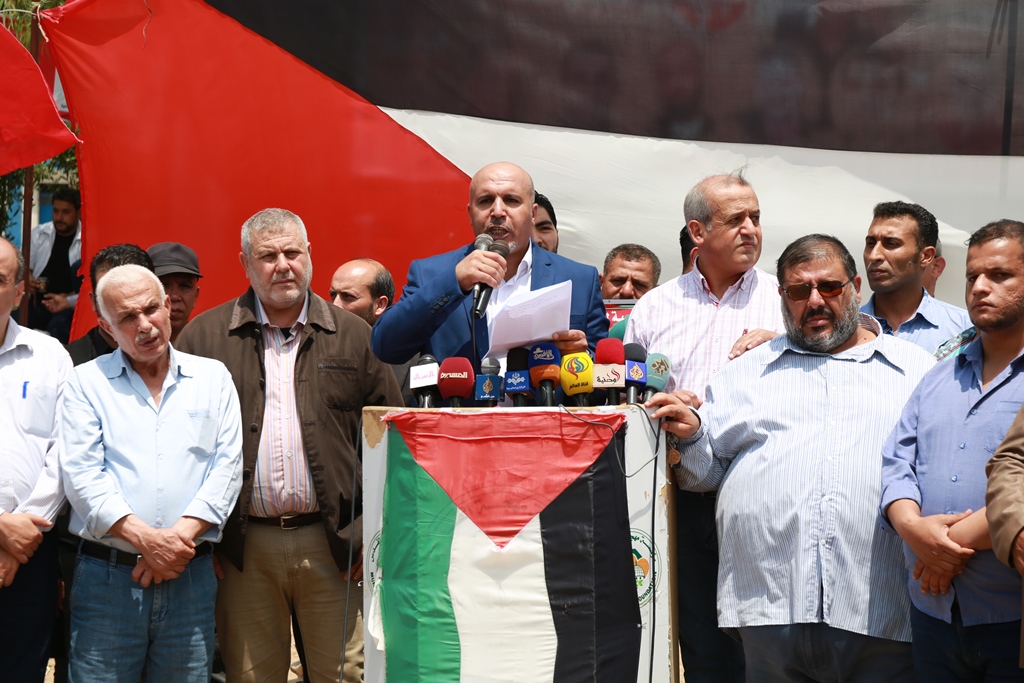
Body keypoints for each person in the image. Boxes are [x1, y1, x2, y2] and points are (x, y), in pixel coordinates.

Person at [653, 234, 935, 682]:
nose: (815, 301)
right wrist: (691, 435)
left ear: (855, 287)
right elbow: (705, 473)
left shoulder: (915, 369)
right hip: (769, 610)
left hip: (880, 610)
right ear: (782, 297)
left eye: (830, 287)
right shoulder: (746, 372)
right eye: (799, 290)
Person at [175, 208, 402, 683]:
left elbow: (391, 439)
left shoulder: (355, 335)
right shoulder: (204, 338)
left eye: (292, 252)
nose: (283, 265)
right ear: (245, 263)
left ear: (310, 256)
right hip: (242, 548)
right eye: (268, 256)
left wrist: (372, 534)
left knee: (345, 674)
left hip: (335, 543)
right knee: (251, 676)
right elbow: (179, 448)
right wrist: (202, 539)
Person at [624, 172, 783, 683]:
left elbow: (858, 334)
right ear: (697, 231)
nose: (751, 229)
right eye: (736, 219)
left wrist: (785, 344)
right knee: (705, 646)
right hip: (682, 498)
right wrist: (662, 403)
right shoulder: (655, 306)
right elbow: (630, 398)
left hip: (763, 496)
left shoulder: (786, 301)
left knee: (769, 646)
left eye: (755, 217)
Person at [60, 264, 242, 681]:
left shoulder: (212, 378)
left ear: (166, 306)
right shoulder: (86, 383)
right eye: (127, 317)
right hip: (109, 581)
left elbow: (227, 467)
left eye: (151, 309)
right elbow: (83, 476)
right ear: (107, 328)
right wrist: (148, 541)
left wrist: (172, 545)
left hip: (189, 577)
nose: (144, 325)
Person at [883, 219, 1024, 680]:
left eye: (999, 275)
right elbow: (897, 462)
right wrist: (912, 527)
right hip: (933, 616)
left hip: (1010, 616)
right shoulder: (938, 375)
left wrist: (942, 549)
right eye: (972, 276)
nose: (980, 288)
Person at [371, 162, 607, 370]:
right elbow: (386, 347)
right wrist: (454, 282)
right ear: (470, 213)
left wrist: (581, 358)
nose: (498, 211)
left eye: (511, 200)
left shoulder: (580, 279)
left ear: (533, 213)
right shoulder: (431, 274)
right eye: (485, 201)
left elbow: (605, 378)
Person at [0, 237, 71, 682]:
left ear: (19, 291)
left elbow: (66, 450)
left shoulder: (49, 356)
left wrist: (20, 536)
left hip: (30, 553)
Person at [861, 201, 969, 352]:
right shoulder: (843, 330)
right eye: (870, 243)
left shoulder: (964, 331)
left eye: (891, 243)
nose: (874, 256)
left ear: (926, 256)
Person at [330, 258, 416, 406]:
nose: (335, 305)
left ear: (380, 305)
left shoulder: (413, 359)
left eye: (348, 296)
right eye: (333, 295)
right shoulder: (317, 346)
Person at [65, 244, 154, 365]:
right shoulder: (68, 364)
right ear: (94, 301)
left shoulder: (174, 357)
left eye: (133, 293)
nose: (122, 304)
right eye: (109, 294)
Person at [27, 187, 83, 342]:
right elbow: (24, 267)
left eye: (66, 212)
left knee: (58, 329)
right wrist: (29, 279)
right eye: (56, 211)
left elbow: (88, 286)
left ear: (78, 213)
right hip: (37, 303)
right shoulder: (39, 234)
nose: (59, 217)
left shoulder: (86, 239)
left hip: (69, 306)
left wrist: (67, 300)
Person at [147, 242, 202, 343]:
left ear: (195, 295)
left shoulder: (210, 347)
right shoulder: (124, 348)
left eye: (184, 286)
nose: (175, 296)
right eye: (163, 285)